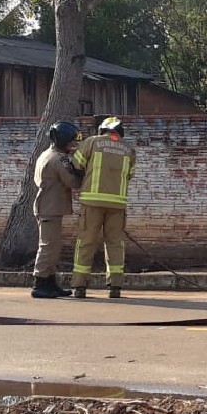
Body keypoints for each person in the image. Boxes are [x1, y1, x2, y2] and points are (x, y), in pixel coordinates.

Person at [69, 116, 137, 299]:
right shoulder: (129, 149)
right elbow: (130, 175)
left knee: (86, 243)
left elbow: (76, 165)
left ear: (102, 129)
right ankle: (115, 286)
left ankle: (80, 287)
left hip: (91, 202)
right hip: (117, 204)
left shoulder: (92, 142)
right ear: (120, 131)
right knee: (115, 244)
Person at [31, 120, 85, 299]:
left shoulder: (46, 154)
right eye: (71, 141)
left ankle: (50, 283)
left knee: (52, 246)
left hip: (48, 205)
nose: (74, 144)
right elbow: (72, 182)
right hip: (50, 207)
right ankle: (40, 284)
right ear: (62, 140)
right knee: (47, 246)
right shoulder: (58, 159)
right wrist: (83, 173)